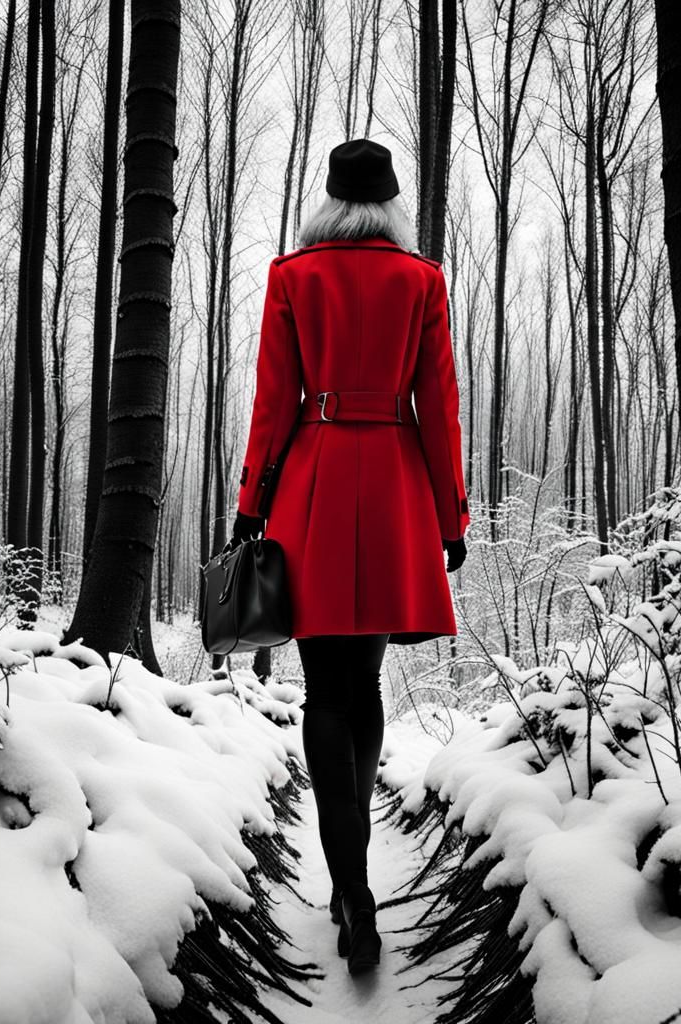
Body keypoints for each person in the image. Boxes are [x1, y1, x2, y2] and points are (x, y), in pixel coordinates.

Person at [229, 138, 469, 975]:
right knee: (362, 686)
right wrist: (450, 514)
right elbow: (439, 405)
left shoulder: (294, 275)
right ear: (392, 202)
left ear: (328, 200)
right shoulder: (421, 280)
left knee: (325, 691)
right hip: (397, 483)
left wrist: (251, 502)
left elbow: (273, 401)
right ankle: (353, 881)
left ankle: (352, 888)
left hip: (315, 485)